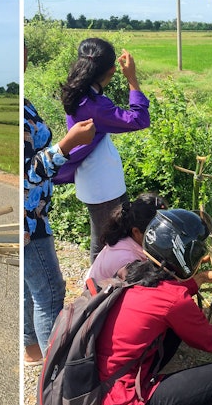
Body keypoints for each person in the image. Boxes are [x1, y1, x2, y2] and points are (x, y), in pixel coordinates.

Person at [95, 209, 212, 405]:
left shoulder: (133, 271)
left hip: (100, 383)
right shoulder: (173, 299)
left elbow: (163, 299)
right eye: (199, 256)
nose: (201, 260)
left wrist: (198, 279)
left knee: (172, 330)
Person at [55, 38, 150, 261]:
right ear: (112, 69)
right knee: (107, 243)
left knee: (104, 238)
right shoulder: (94, 105)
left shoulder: (78, 91)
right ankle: (97, 290)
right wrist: (132, 79)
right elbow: (139, 119)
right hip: (104, 186)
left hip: (93, 179)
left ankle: (98, 287)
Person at [24, 87, 95, 361]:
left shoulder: (24, 100)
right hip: (29, 220)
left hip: (34, 209)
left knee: (32, 286)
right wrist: (68, 144)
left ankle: (33, 352)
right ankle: (53, 374)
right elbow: (28, 172)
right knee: (49, 292)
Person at [86, 192, 167, 286]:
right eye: (155, 233)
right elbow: (138, 292)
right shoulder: (126, 261)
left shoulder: (126, 237)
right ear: (136, 232)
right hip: (103, 298)